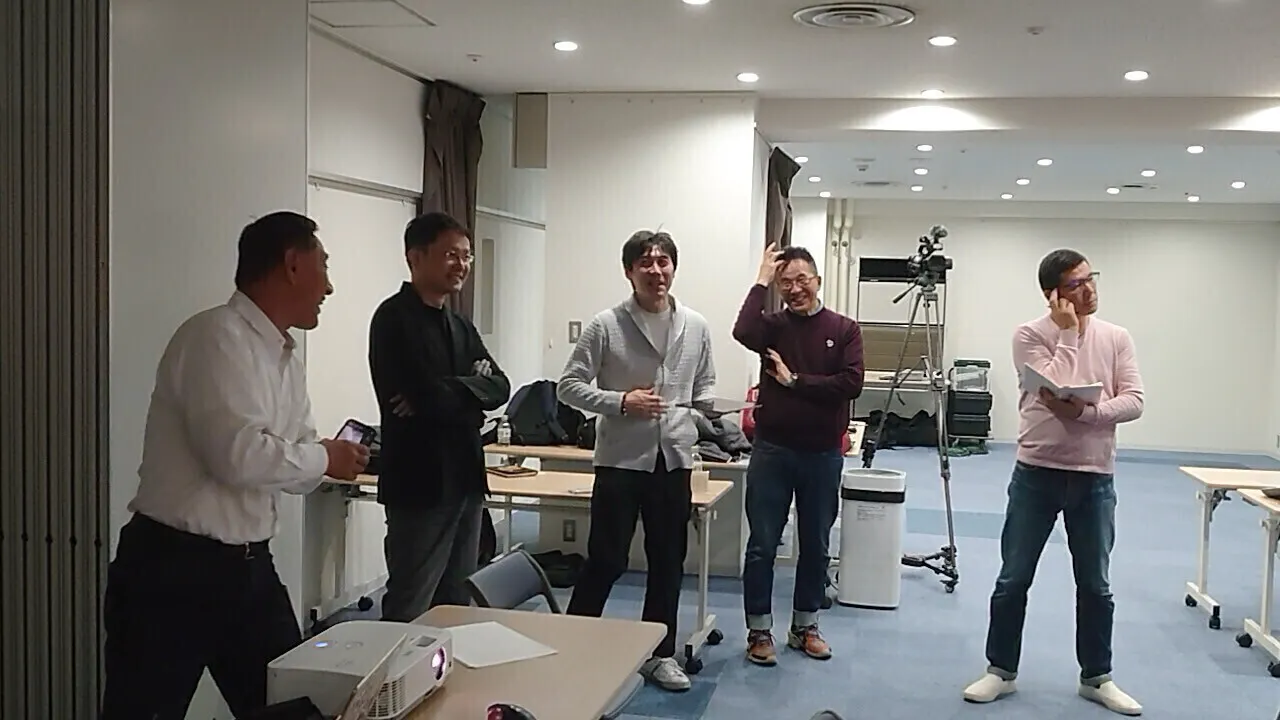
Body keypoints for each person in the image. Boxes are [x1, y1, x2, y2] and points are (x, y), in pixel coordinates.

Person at [100, 212, 371, 719]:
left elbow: (296, 461)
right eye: (324, 266)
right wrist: (322, 457)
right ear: (292, 264)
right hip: (171, 571)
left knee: (292, 705)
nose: (329, 287)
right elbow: (239, 457)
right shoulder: (214, 336)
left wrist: (321, 457)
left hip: (248, 570)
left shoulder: (285, 357)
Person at [963, 249, 1144, 716]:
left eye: (1090, 278)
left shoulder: (1116, 337)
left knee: (1096, 585)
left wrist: (1089, 414)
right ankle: (1000, 671)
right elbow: (1054, 384)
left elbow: (1134, 400)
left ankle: (1097, 677)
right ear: (1053, 295)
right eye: (1076, 284)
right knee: (1013, 578)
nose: (1089, 289)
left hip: (1094, 477)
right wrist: (1067, 333)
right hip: (1036, 472)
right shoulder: (1029, 335)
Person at [558, 230, 717, 692]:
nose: (656, 270)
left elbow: (704, 385)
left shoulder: (695, 325)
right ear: (629, 271)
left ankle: (659, 654)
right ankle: (572, 641)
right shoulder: (606, 325)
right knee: (606, 558)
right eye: (645, 262)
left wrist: (702, 415)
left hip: (674, 460)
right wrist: (620, 401)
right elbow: (568, 386)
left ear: (674, 268)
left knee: (668, 561)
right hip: (620, 461)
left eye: (663, 261)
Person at [369, 211, 511, 623]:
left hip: (466, 478)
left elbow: (500, 387)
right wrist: (469, 389)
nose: (461, 264)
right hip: (420, 482)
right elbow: (424, 395)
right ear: (415, 257)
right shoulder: (393, 318)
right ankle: (391, 667)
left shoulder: (460, 324)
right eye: (451, 254)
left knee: (456, 599)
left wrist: (447, 391)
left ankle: (444, 664)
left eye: (466, 255)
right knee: (412, 598)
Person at [731, 243, 864, 666]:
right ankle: (759, 630)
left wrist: (795, 381)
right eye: (785, 282)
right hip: (772, 450)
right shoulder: (772, 327)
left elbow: (851, 383)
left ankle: (805, 626)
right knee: (762, 544)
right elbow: (742, 331)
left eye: (802, 279)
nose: (795, 288)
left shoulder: (844, 328)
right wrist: (760, 280)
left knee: (816, 545)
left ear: (818, 281)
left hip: (822, 454)